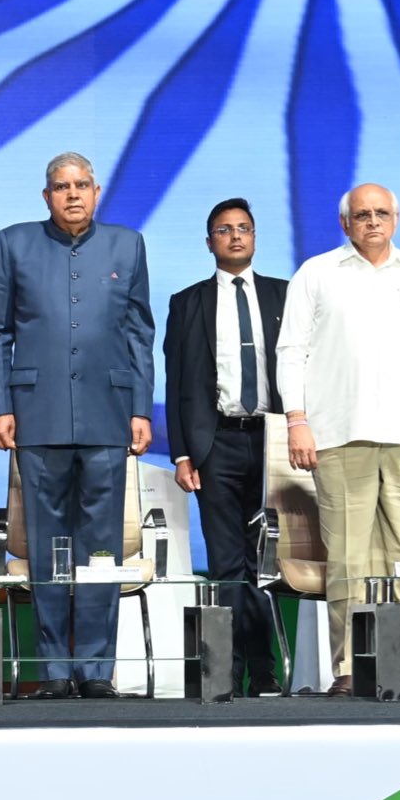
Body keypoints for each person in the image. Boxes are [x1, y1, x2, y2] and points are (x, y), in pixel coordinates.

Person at [0, 151, 155, 700]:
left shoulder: (127, 245)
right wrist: (0, 406)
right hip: (37, 414)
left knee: (102, 547)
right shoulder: (13, 242)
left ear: (97, 191)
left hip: (108, 413)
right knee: (49, 547)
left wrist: (141, 408)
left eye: (82, 185)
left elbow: (139, 333)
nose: (72, 195)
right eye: (61, 187)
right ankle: (55, 672)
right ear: (46, 196)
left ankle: (96, 669)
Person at [276, 183, 400, 697]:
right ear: (345, 223)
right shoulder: (317, 273)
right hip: (338, 432)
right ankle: (351, 669)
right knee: (350, 558)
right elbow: (291, 350)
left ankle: (393, 665)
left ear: (396, 220)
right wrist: (297, 419)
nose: (372, 222)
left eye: (381, 213)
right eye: (362, 215)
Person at [163, 198, 285, 695]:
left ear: (255, 237)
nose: (235, 237)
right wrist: (182, 452)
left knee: (268, 561)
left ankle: (267, 670)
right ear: (209, 240)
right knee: (228, 563)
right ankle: (229, 670)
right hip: (216, 443)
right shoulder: (186, 302)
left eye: (244, 229)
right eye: (224, 230)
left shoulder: (285, 295)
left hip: (274, 441)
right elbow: (177, 384)